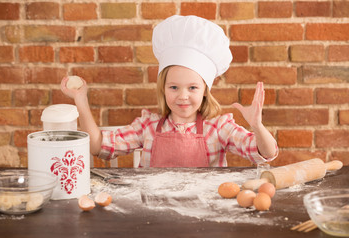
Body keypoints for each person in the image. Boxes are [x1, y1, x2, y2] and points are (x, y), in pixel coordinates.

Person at [60, 15, 278, 168]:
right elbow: (99, 146)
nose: (183, 95)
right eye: (174, 87)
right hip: (153, 217)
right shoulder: (147, 126)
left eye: (192, 87)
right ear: (163, 89)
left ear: (205, 90)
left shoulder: (219, 128)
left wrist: (257, 127)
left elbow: (265, 154)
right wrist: (81, 99)